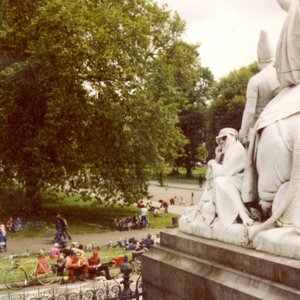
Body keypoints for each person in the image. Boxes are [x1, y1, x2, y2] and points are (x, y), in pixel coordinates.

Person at [239, 30, 280, 147]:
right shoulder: (281, 76)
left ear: (259, 60)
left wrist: (243, 133)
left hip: (261, 125)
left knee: (249, 158)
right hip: (281, 118)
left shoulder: (254, 81)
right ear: (272, 59)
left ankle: (249, 165)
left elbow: (250, 111)